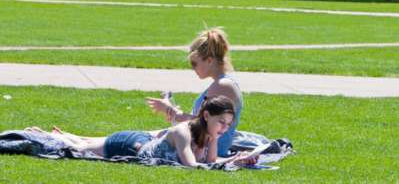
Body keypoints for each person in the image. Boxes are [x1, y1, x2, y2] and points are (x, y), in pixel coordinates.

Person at [25, 96, 256, 167]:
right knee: (79, 149)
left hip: (144, 139)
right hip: (128, 145)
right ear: (206, 116)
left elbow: (213, 161)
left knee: (83, 142)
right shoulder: (184, 132)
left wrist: (236, 159)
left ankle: (60, 133)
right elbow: (193, 167)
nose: (225, 129)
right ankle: (43, 135)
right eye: (221, 123)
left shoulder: (209, 134)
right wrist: (230, 163)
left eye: (228, 124)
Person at [146, 27, 243, 157]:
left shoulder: (222, 85)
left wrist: (171, 111)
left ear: (209, 60)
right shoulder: (221, 83)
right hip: (199, 145)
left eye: (194, 63)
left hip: (207, 151)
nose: (193, 68)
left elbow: (202, 124)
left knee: (140, 141)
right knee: (143, 137)